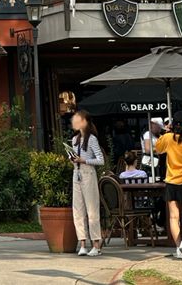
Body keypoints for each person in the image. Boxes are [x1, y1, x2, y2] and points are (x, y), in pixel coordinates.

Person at [155, 110, 182, 260]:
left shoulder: (168, 138)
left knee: (173, 217)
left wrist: (166, 131)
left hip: (171, 181)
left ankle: (178, 247)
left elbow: (158, 149)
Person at [70, 109, 105, 257]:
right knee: (78, 210)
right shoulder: (74, 139)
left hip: (88, 173)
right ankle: (82, 243)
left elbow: (100, 159)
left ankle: (96, 244)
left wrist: (84, 160)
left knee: (92, 210)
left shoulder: (91, 139)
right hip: (76, 173)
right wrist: (72, 159)